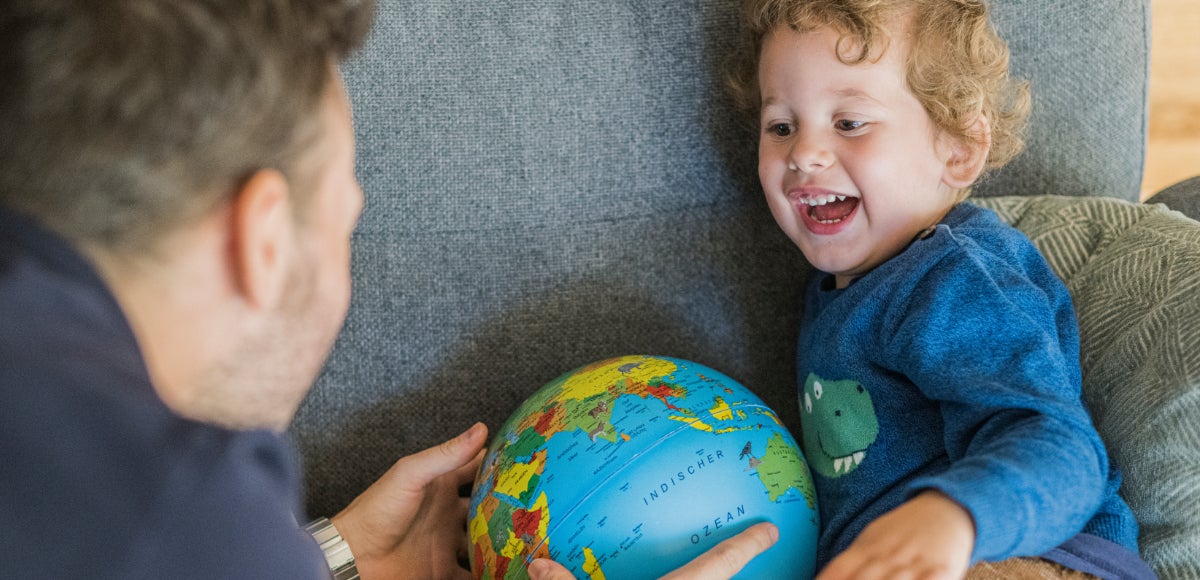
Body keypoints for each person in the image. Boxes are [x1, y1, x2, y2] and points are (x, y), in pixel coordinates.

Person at [722, 0, 1158, 578]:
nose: (803, 153)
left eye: (849, 122)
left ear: (958, 149)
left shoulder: (951, 279)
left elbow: (1063, 451)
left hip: (1031, 558)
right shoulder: (836, 292)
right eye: (781, 126)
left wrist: (954, 518)